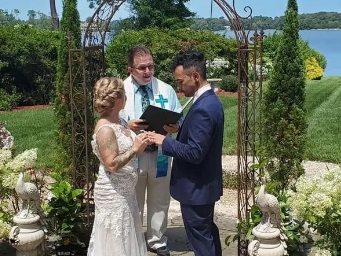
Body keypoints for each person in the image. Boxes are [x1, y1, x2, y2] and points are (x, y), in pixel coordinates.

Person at [148, 50, 224, 256]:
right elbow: (201, 141)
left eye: (181, 82)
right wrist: (179, 131)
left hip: (196, 189)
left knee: (201, 241)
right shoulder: (209, 101)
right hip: (204, 187)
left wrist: (164, 141)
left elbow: (195, 153)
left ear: (196, 76)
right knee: (207, 233)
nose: (178, 87)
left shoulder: (204, 108)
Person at [122, 45, 182, 256]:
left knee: (160, 199)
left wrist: (175, 126)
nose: (148, 72)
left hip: (161, 154)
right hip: (133, 155)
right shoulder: (121, 90)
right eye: (142, 68)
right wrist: (128, 126)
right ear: (130, 69)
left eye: (151, 66)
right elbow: (110, 124)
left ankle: (157, 240)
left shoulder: (165, 89)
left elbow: (177, 117)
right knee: (134, 200)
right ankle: (135, 240)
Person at [87, 77, 149, 256]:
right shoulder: (105, 129)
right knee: (115, 239)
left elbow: (121, 134)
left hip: (126, 192)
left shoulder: (119, 121)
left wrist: (132, 129)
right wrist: (135, 149)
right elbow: (111, 164)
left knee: (127, 235)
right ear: (119, 100)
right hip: (113, 193)